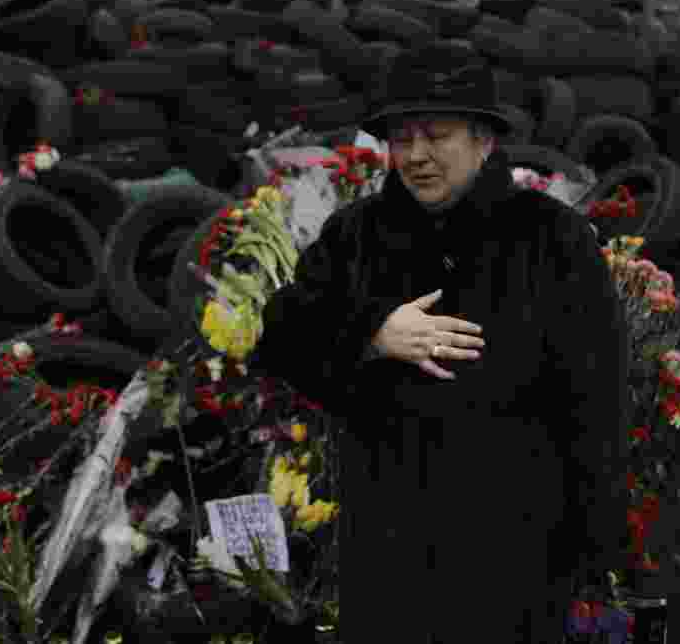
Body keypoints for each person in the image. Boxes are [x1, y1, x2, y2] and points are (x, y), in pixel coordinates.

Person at [251, 40, 631, 644]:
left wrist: (594, 544)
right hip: (389, 551)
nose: (416, 155)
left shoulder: (552, 238)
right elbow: (279, 335)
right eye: (401, 139)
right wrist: (372, 330)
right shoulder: (357, 235)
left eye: (436, 135)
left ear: (484, 138)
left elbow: (596, 395)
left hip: (517, 552)